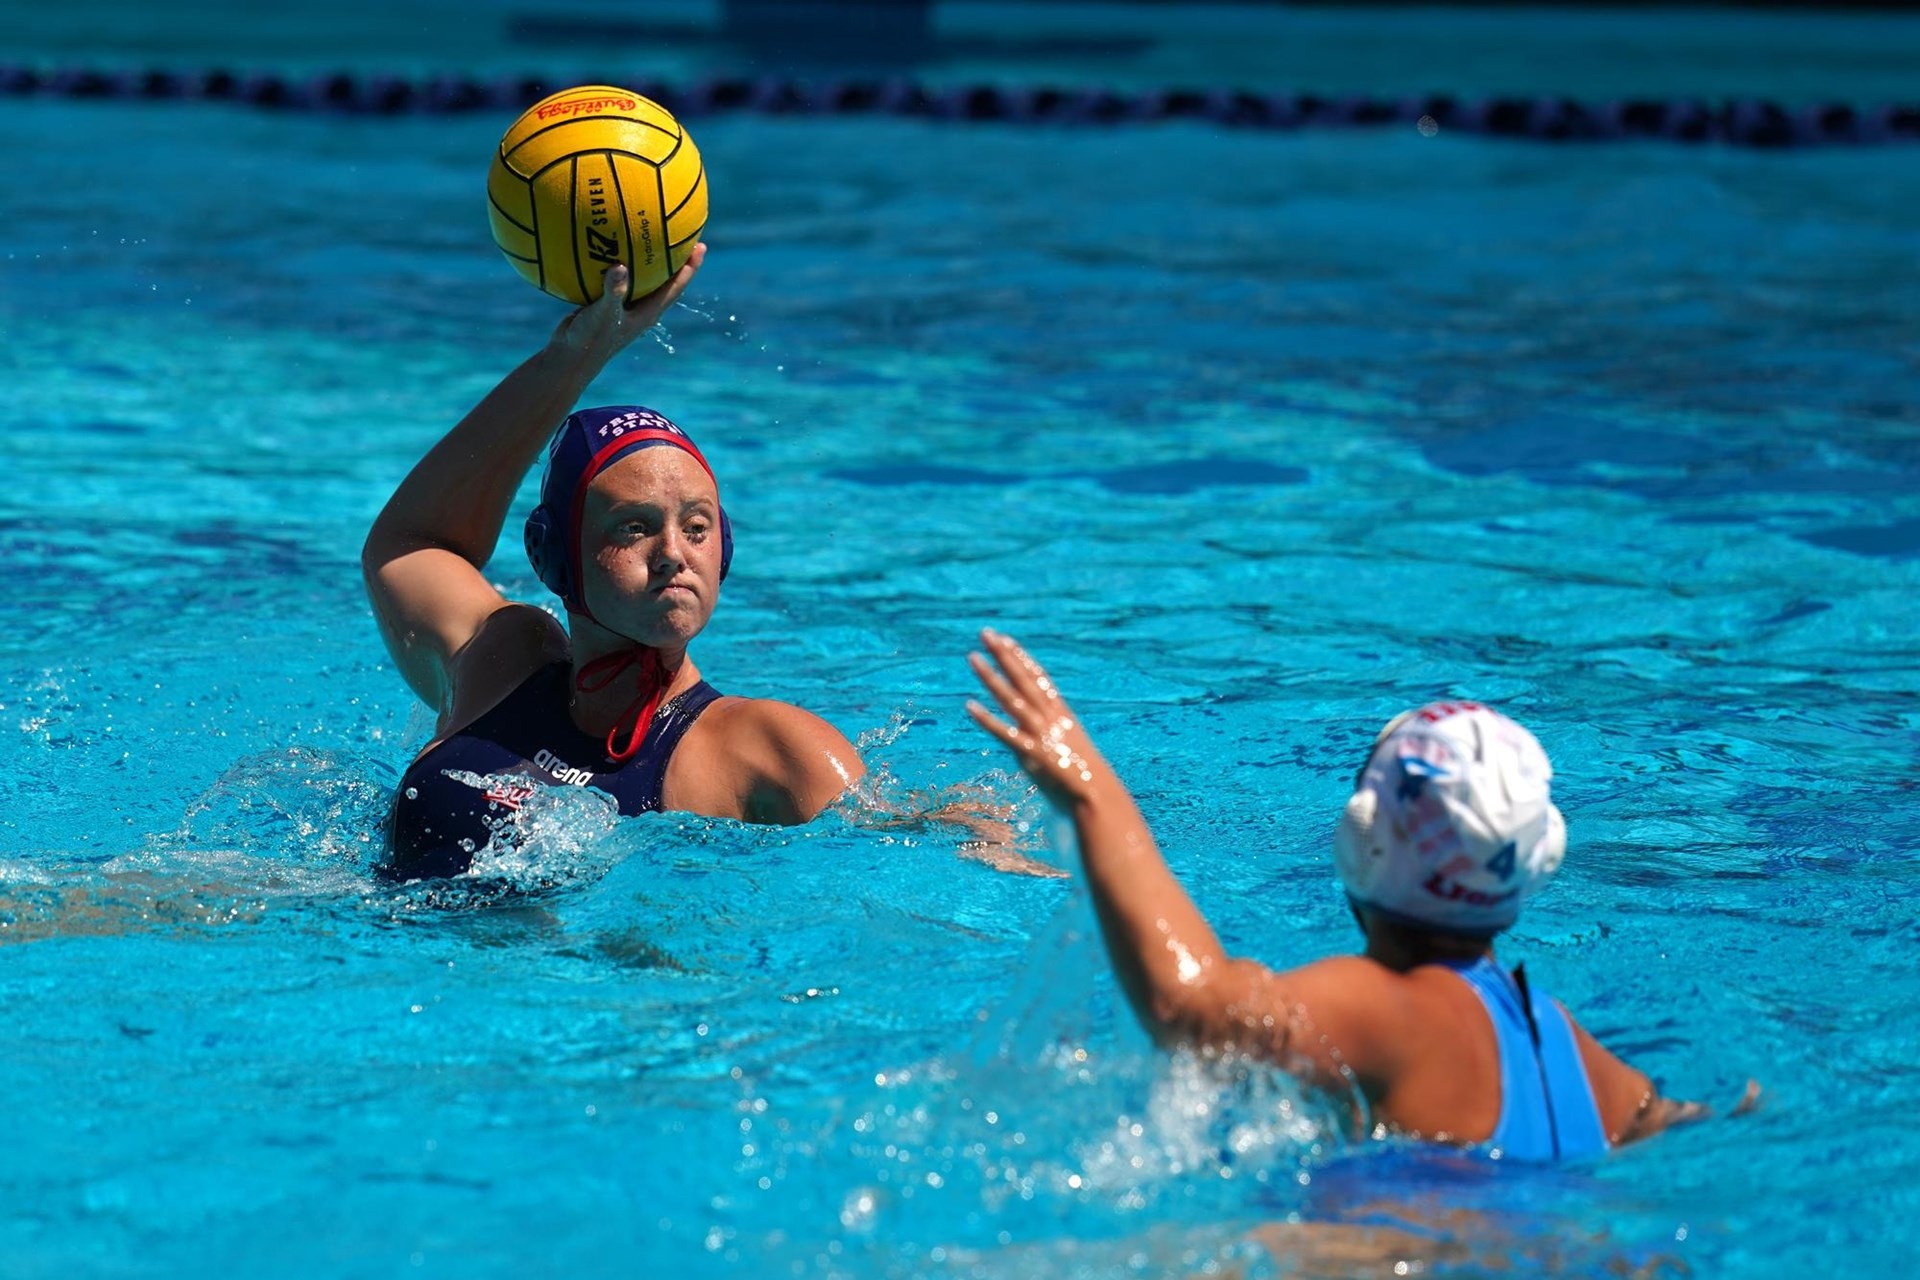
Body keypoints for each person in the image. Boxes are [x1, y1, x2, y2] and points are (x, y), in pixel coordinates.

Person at [965, 629, 1752, 1159]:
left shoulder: (1385, 1007)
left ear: (1360, 838)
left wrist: (1092, 793)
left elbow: (1191, 1010)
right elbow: (1674, 1122)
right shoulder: (1569, 1050)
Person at [364, 251, 864, 880]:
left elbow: (920, 846)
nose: (674, 554)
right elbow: (411, 542)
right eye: (635, 527)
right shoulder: (504, 663)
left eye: (697, 527)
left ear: (725, 549)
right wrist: (571, 363)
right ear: (555, 556)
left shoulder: (764, 748)